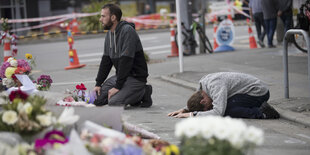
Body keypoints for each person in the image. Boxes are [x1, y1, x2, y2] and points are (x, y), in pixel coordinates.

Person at [93, 4, 152, 108]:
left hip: (135, 77)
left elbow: (126, 61)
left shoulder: (127, 31)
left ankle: (143, 92)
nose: (100, 19)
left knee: (114, 102)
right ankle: (131, 93)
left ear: (113, 17)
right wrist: (98, 83)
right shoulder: (109, 35)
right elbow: (106, 62)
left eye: (103, 16)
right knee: (96, 100)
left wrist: (117, 87)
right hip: (122, 76)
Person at [167, 72, 280, 119]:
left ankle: (263, 113)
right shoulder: (202, 89)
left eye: (208, 108)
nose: (210, 109)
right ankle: (257, 108)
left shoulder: (215, 86)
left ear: (203, 102)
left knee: (226, 110)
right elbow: (195, 103)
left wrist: (192, 115)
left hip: (258, 92)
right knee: (226, 105)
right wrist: (184, 109)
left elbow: (218, 112)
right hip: (247, 91)